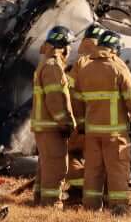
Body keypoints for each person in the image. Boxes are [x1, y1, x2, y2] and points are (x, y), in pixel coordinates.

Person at [73, 29, 131, 215]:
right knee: (117, 170)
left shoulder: (85, 69)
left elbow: (77, 102)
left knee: (93, 171)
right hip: (115, 134)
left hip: (92, 133)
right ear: (115, 48)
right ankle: (119, 208)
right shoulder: (118, 68)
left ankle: (90, 208)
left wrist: (82, 125)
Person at [32, 26, 75, 208]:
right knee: (56, 167)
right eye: (69, 45)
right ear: (63, 46)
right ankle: (51, 205)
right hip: (52, 126)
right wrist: (65, 123)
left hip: (44, 126)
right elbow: (55, 99)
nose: (70, 49)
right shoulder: (53, 66)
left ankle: (39, 200)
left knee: (46, 166)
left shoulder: (46, 63)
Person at [66, 23, 105, 199]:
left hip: (79, 120)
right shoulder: (108, 63)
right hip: (101, 121)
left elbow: (69, 91)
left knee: (74, 155)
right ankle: (96, 193)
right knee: (97, 158)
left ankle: (77, 190)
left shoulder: (79, 63)